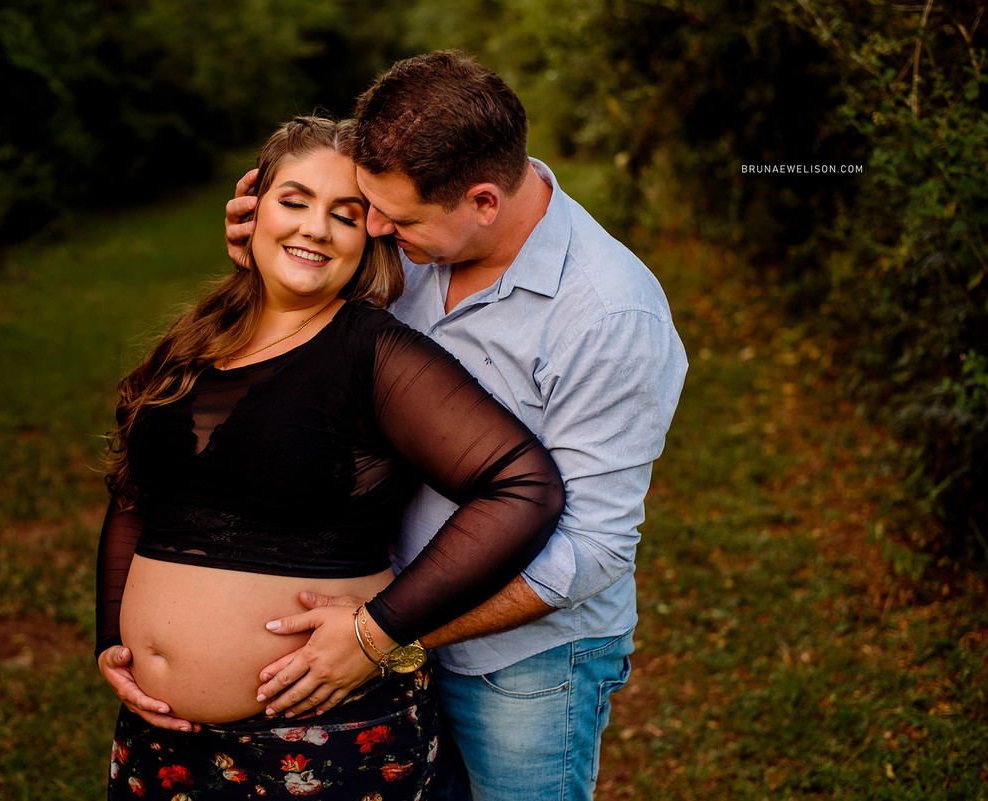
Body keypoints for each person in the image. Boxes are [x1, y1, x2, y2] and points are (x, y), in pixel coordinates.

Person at [224, 52, 688, 801]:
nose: (373, 227)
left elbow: (593, 548)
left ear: (482, 201)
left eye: (396, 218)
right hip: (378, 619)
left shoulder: (608, 314)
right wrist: (269, 260)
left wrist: (385, 632)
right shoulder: (409, 241)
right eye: (369, 208)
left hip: (523, 664)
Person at [95, 115, 565, 801]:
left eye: (344, 216)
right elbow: (137, 496)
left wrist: (380, 628)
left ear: (371, 238)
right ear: (250, 210)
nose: (314, 229)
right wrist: (114, 634)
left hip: (324, 741)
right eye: (294, 202)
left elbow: (523, 486)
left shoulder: (373, 352)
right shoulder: (192, 343)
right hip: (162, 744)